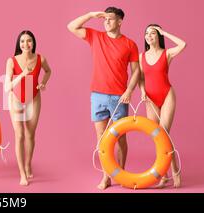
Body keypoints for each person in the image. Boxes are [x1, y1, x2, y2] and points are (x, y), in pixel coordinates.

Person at [67, 7, 140, 190]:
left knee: (120, 138)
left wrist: (129, 91)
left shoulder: (130, 44)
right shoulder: (96, 36)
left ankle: (121, 174)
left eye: (110, 19)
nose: (106, 22)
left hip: (119, 97)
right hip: (97, 95)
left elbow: (136, 71)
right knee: (101, 139)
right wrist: (91, 15)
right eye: (104, 19)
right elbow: (71, 26)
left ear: (120, 22)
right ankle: (106, 176)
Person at [139, 24, 186, 188]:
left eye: (153, 33)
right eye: (147, 33)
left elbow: (183, 44)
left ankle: (176, 171)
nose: (149, 36)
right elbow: (141, 78)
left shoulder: (167, 53)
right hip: (150, 99)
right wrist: (143, 91)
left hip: (167, 95)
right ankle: (164, 175)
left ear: (158, 36)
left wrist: (164, 32)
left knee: (164, 134)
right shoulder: (141, 56)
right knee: (156, 137)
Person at [4, 30, 52, 186]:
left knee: (30, 134)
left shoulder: (40, 58)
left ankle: (27, 163)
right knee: (19, 135)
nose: (26, 44)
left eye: (29, 41)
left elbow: (48, 71)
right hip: (15, 99)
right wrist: (22, 74)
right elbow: (7, 87)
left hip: (34, 98)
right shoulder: (11, 61)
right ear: (19, 43)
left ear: (33, 43)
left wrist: (43, 82)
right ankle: (22, 173)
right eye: (22, 41)